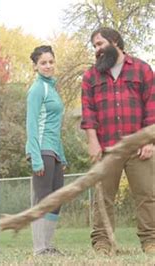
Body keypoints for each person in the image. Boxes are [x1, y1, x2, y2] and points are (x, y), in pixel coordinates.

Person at [80, 27, 155, 255]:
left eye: (100, 44)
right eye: (94, 46)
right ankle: (103, 243)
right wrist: (92, 142)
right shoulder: (91, 76)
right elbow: (88, 112)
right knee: (102, 198)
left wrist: (148, 141)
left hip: (138, 146)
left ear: (115, 42)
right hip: (106, 148)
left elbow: (152, 108)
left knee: (147, 195)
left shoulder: (142, 69)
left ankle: (150, 241)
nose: (97, 49)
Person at [25, 45, 67, 256]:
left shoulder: (52, 89)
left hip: (54, 150)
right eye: (43, 62)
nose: (48, 66)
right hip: (41, 149)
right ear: (35, 66)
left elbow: (54, 124)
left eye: (51, 61)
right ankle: (39, 248)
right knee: (42, 199)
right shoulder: (37, 89)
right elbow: (32, 125)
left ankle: (48, 245)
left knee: (56, 199)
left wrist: (62, 155)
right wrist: (35, 158)